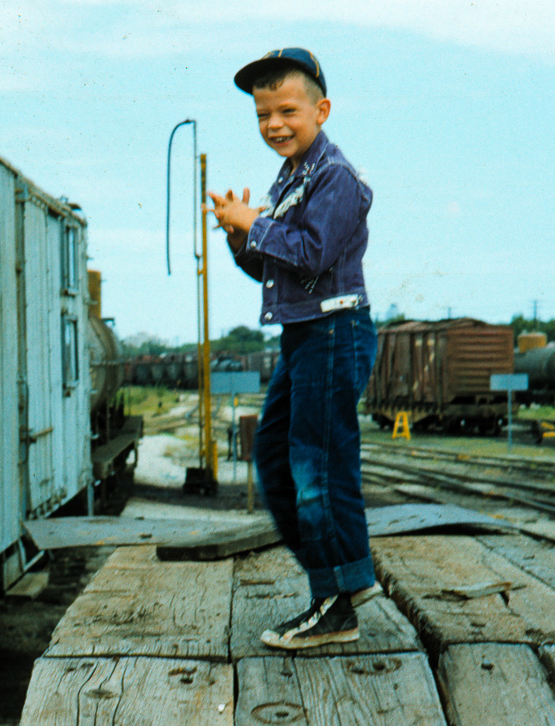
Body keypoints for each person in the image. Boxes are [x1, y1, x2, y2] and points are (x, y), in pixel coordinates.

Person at [204, 48, 380, 650]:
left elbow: (309, 253)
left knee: (316, 464)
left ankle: (335, 603)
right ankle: (342, 580)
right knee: (277, 462)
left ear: (321, 109)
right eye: (262, 115)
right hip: (305, 335)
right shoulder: (291, 178)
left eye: (287, 110)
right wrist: (239, 235)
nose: (274, 124)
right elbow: (275, 268)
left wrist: (254, 221)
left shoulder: (335, 177)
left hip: (335, 331)